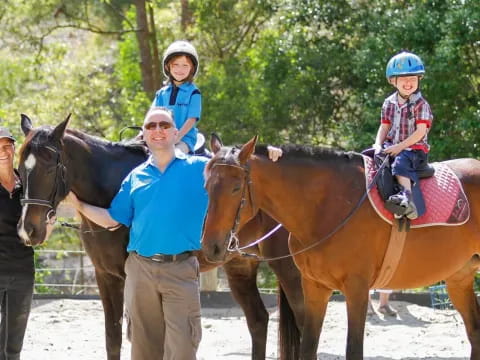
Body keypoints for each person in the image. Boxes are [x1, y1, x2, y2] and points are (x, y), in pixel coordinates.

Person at [66, 107, 282, 360]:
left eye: (165, 125)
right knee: (144, 349)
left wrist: (266, 152)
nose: (158, 130)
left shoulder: (200, 167)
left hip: (180, 269)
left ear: (176, 132)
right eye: (151, 126)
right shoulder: (135, 178)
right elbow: (112, 220)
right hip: (140, 270)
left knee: (182, 348)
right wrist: (78, 204)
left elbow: (232, 165)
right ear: (144, 135)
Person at [373, 51, 433, 220]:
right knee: (371, 157)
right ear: (393, 81)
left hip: (414, 150)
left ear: (419, 80)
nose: (409, 83)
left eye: (413, 78)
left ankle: (407, 198)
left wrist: (399, 147)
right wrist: (378, 144)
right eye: (404, 79)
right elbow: (384, 127)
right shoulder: (388, 102)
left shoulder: (421, 104)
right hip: (393, 145)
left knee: (400, 161)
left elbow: (420, 132)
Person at [0, 126, 35, 360]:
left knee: (13, 344)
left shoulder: (29, 186)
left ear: (14, 149)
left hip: (22, 271)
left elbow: (39, 230)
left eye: (7, 146)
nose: (3, 151)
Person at [152, 40, 201, 154]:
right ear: (168, 67)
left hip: (183, 139)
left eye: (185, 66)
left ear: (192, 69)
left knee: (174, 155)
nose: (180, 70)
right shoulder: (161, 93)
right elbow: (152, 116)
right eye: (176, 65)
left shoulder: (194, 93)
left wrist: (177, 137)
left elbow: (192, 119)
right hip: (162, 139)